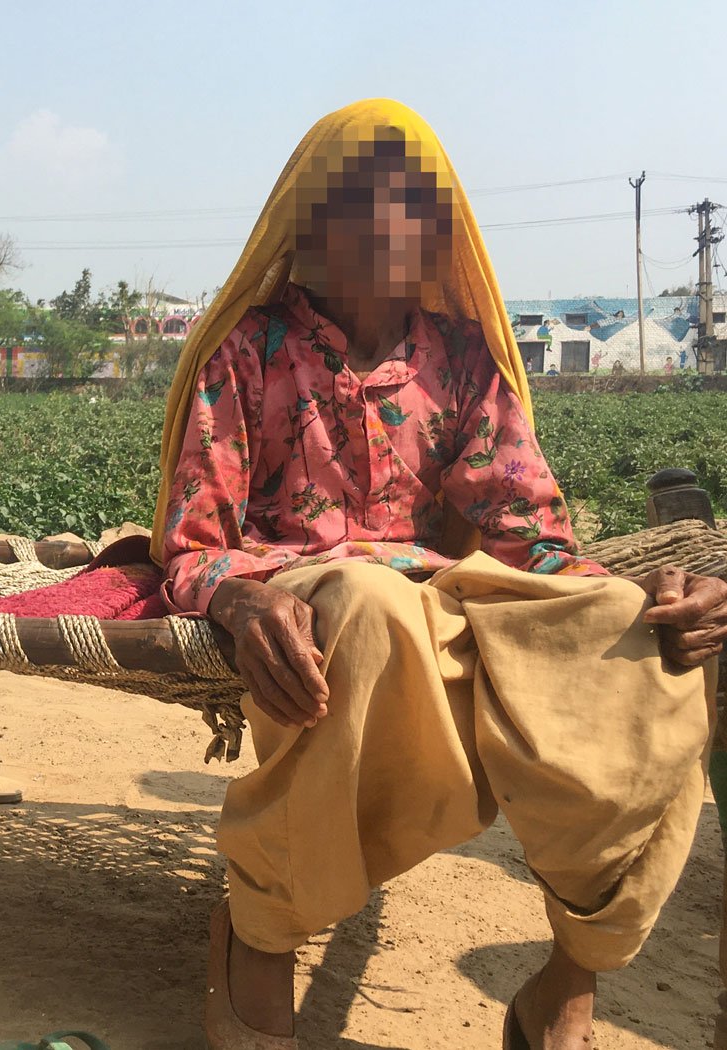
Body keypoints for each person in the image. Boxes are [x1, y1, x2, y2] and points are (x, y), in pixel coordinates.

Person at [150, 99, 722, 1049]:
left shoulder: (461, 359)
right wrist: (241, 600)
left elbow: (528, 537)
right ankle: (262, 932)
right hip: (318, 597)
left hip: (442, 602)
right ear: (308, 222)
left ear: (438, 232)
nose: (387, 224)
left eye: (411, 203)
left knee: (636, 633)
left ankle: (570, 978)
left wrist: (640, 595)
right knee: (369, 602)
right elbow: (194, 543)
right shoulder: (249, 351)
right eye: (359, 200)